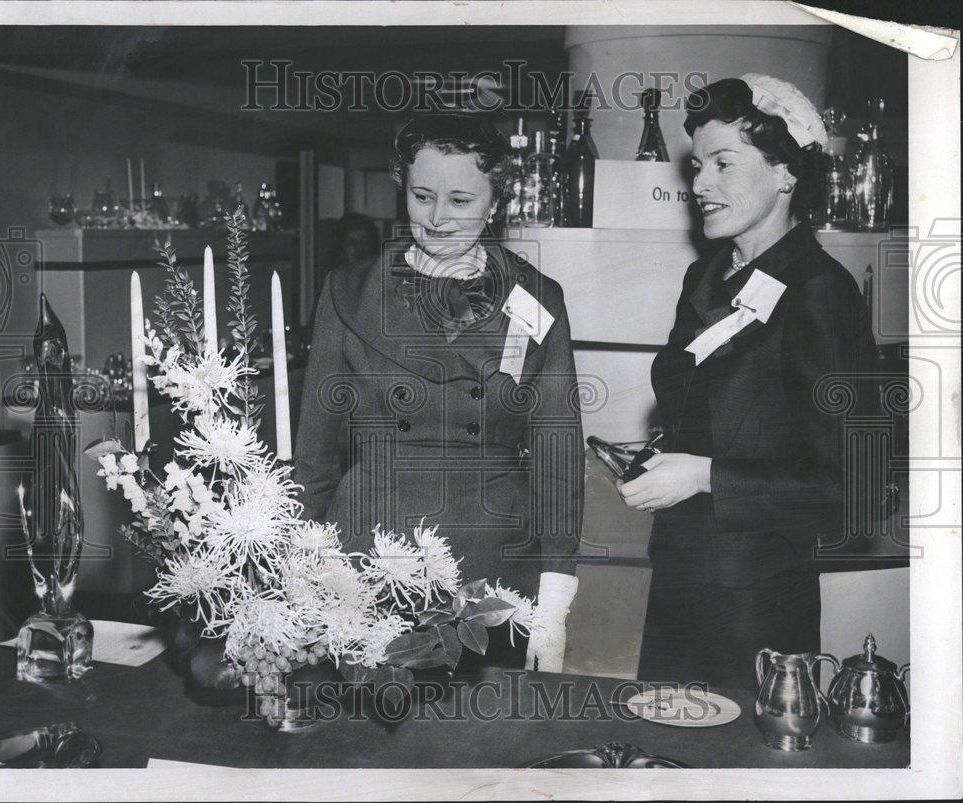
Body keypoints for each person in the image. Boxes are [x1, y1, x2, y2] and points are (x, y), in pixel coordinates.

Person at [293, 110, 585, 671]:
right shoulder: (348, 291)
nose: (438, 219)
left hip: (493, 562)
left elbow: (558, 451)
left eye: (460, 201)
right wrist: (305, 562)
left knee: (482, 745)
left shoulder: (538, 297)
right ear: (402, 189)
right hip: (366, 553)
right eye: (423, 196)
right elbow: (315, 450)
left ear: (496, 203)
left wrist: (553, 601)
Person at [620, 75, 876, 688]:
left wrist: (703, 475)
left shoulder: (820, 293)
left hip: (756, 601)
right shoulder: (706, 278)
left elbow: (857, 484)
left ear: (786, 174)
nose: (700, 184)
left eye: (724, 164)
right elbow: (713, 413)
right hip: (678, 573)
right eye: (698, 165)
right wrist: (660, 456)